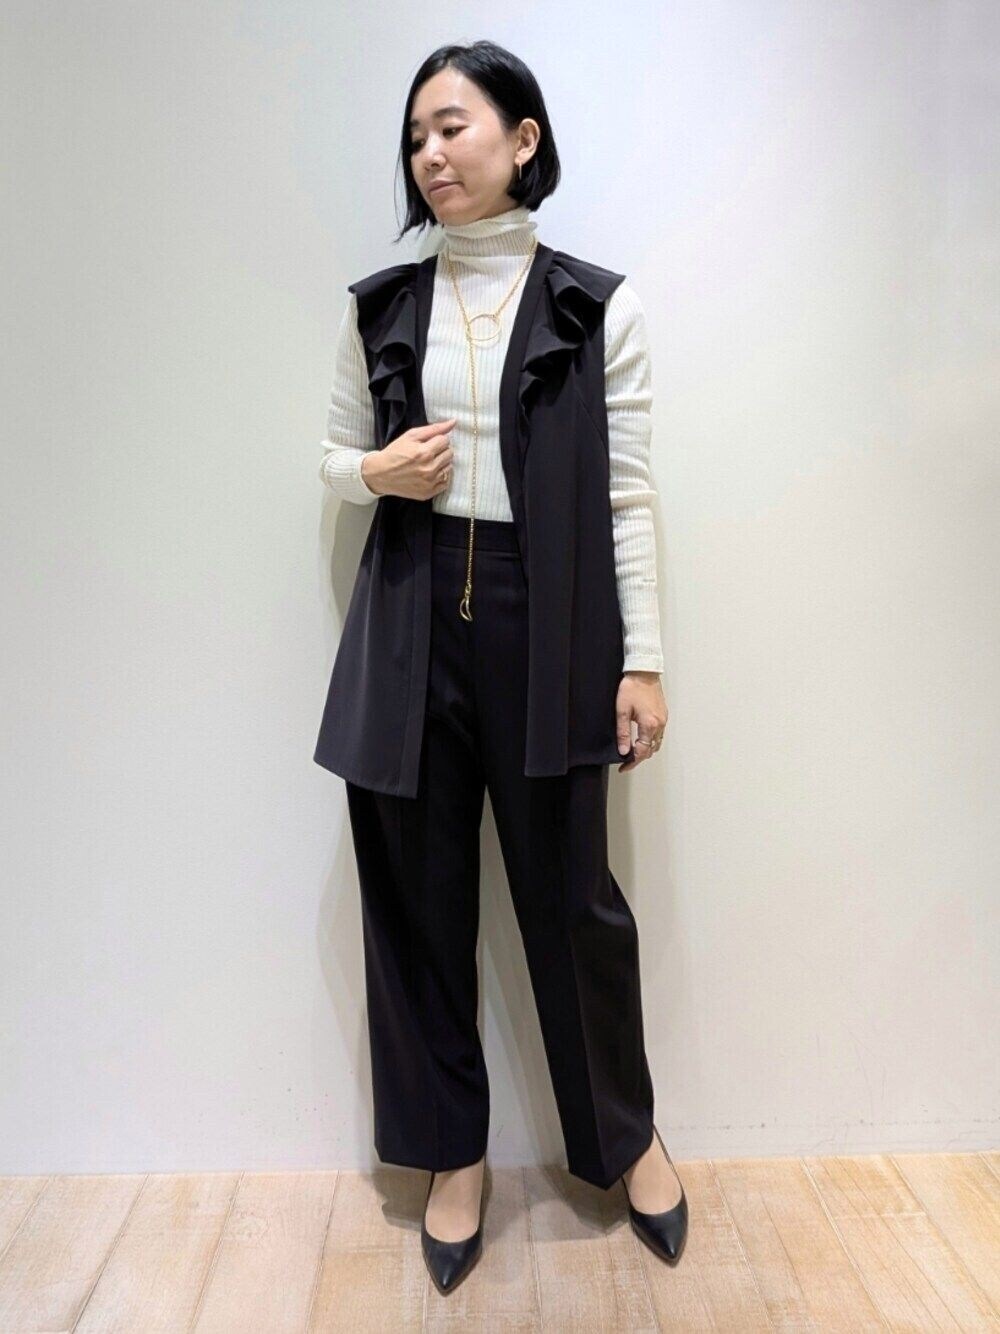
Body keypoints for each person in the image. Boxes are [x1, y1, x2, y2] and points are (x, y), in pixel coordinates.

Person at [314, 40, 687, 1294]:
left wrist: (644, 659)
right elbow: (329, 454)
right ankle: (452, 1154)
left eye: (454, 125)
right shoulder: (379, 306)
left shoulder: (596, 306)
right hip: (412, 615)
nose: (430, 152)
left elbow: (627, 494)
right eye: (415, 134)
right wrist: (376, 472)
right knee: (418, 903)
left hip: (553, 619)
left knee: (572, 899)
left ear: (522, 139)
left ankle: (625, 1138)